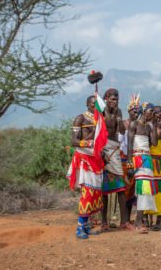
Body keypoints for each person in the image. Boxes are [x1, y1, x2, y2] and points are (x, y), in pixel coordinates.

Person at [66, 95, 104, 239]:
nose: (95, 107)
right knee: (87, 193)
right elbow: (73, 141)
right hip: (85, 160)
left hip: (96, 159)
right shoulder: (80, 118)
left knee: (95, 193)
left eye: (97, 105)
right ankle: (80, 227)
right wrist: (89, 144)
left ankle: (87, 225)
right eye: (93, 104)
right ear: (87, 104)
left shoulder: (100, 120)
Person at [101, 88, 129, 231]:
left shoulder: (118, 112)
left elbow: (122, 132)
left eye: (117, 99)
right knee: (103, 189)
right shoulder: (100, 112)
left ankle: (124, 222)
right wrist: (100, 152)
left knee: (120, 186)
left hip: (114, 148)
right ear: (106, 99)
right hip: (103, 149)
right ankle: (103, 222)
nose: (115, 102)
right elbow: (96, 132)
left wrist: (120, 122)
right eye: (112, 99)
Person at [127, 102, 158, 233]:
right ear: (144, 111)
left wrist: (153, 127)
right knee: (142, 189)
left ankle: (139, 220)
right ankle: (138, 222)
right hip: (137, 159)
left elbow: (155, 142)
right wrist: (129, 163)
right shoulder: (134, 124)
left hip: (147, 160)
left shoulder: (148, 126)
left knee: (146, 191)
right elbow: (129, 144)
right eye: (151, 111)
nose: (153, 114)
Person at [145, 106, 161, 230]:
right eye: (157, 114)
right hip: (149, 161)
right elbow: (152, 143)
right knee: (148, 190)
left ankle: (159, 219)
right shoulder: (147, 126)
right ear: (153, 114)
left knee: (160, 191)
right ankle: (146, 218)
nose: (159, 116)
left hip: (160, 163)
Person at [119, 94, 140, 223]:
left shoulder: (139, 125)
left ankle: (128, 218)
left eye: (137, 111)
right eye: (133, 110)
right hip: (123, 159)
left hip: (137, 159)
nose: (135, 113)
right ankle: (124, 219)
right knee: (125, 188)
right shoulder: (123, 124)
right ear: (128, 111)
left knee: (133, 190)